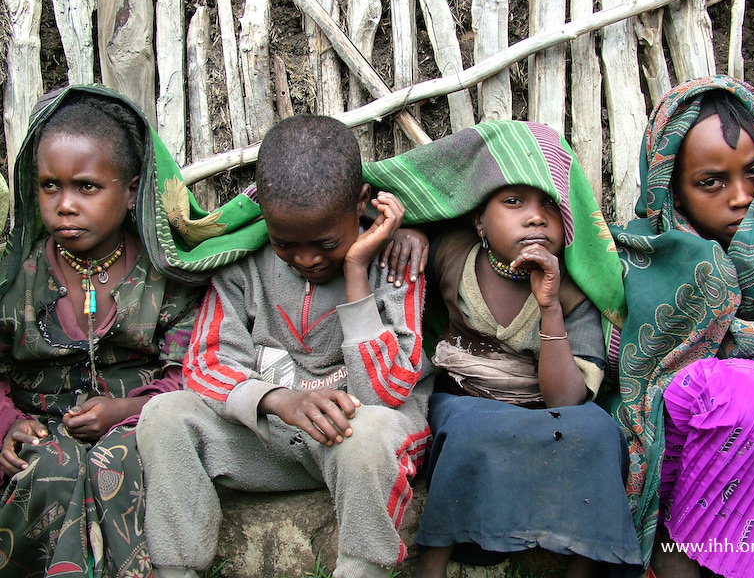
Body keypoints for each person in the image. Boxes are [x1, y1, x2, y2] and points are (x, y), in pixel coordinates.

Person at [136, 114, 434, 578]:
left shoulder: (394, 264)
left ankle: (362, 569)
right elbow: (208, 361)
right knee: (166, 415)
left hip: (355, 446)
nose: (307, 258)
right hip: (272, 440)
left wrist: (357, 270)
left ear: (362, 204)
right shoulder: (244, 265)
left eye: (327, 242)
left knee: (371, 433)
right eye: (285, 243)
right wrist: (279, 400)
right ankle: (176, 567)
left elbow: (386, 396)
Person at [363, 120, 642, 577]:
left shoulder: (574, 294)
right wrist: (407, 235)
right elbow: (377, 221)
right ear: (478, 220)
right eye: (513, 202)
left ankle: (582, 566)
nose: (535, 217)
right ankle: (431, 563)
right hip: (463, 403)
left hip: (541, 406)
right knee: (472, 428)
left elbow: (566, 401)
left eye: (550, 207)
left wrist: (550, 307)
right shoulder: (454, 253)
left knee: (597, 432)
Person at [0, 85, 202, 578]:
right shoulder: (13, 279)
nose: (65, 204)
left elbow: (190, 374)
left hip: (136, 425)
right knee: (47, 464)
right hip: (41, 429)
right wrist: (6, 423)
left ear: (131, 190)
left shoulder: (167, 279)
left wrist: (126, 409)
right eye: (51, 186)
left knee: (116, 462)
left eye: (87, 187)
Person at [609, 75, 754, 578]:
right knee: (726, 388)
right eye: (711, 182)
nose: (741, 196)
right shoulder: (634, 259)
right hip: (677, 463)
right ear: (670, 181)